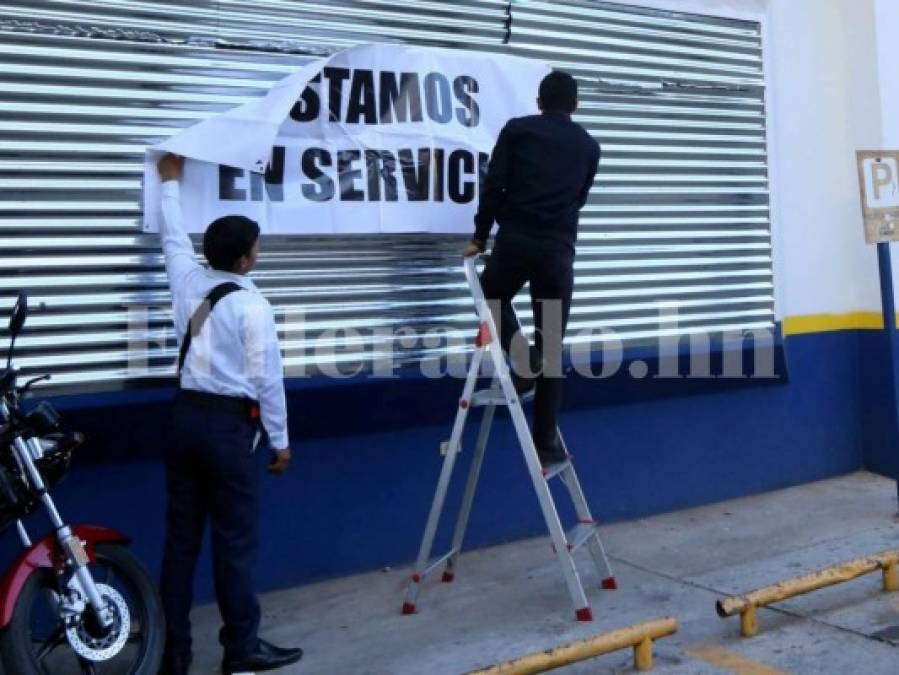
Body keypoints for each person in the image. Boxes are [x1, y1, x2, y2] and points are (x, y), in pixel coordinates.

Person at [155, 153, 303, 675]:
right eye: (256, 249)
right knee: (233, 544)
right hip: (227, 429)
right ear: (242, 260)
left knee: (179, 543)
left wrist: (169, 182)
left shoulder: (185, 279)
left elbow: (171, 236)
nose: (259, 255)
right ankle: (240, 648)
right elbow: (267, 381)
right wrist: (281, 442)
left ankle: (172, 654)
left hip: (183, 419)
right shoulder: (252, 307)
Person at [463, 71, 600, 466]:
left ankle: (524, 360)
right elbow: (580, 199)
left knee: (491, 293)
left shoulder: (519, 131)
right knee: (552, 342)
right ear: (574, 106)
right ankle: (547, 443)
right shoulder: (589, 147)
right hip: (558, 252)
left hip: (517, 240)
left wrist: (480, 234)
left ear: (539, 101)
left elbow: (495, 186)